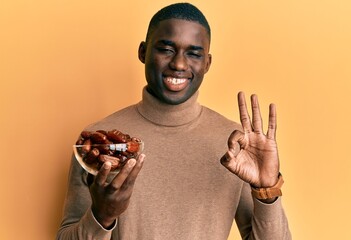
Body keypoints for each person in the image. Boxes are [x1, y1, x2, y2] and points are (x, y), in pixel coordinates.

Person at [57, 2, 291, 239]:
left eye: (193, 53)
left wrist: (267, 191)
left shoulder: (237, 145)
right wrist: (101, 216)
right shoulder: (98, 141)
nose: (179, 64)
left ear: (207, 63)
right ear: (142, 52)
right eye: (166, 49)